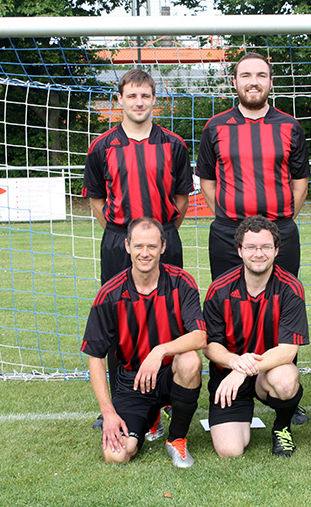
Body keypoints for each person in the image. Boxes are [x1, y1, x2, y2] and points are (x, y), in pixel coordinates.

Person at [82, 68, 194, 433]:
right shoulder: (102, 147)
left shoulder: (174, 145)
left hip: (163, 238)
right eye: (131, 96)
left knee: (170, 319)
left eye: (145, 96)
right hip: (119, 240)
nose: (139, 102)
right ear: (120, 100)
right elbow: (97, 201)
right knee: (119, 322)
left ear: (154, 100)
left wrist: (158, 239)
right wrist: (126, 238)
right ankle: (119, 401)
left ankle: (164, 403)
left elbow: (180, 200)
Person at [80, 217, 206, 467]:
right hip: (132, 383)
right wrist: (108, 413)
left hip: (170, 374)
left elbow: (200, 336)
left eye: (151, 246)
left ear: (163, 246)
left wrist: (160, 351)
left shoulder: (181, 282)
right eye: (138, 246)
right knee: (116, 455)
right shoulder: (110, 294)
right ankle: (150, 418)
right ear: (127, 246)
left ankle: (176, 440)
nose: (145, 253)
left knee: (190, 360)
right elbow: (95, 356)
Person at [196, 52, 310, 280]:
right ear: (235, 82)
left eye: (261, 75)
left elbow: (301, 185)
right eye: (246, 75)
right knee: (227, 304)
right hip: (228, 234)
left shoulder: (290, 127)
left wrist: (279, 222)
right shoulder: (215, 127)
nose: (253, 82)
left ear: (270, 82)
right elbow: (207, 182)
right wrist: (227, 216)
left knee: (281, 303)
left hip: (280, 232)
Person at [203, 216, 309, 458]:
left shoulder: (290, 288)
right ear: (239, 250)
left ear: (276, 250)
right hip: (228, 376)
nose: (258, 253)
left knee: (285, 378)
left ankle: (282, 427)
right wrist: (234, 365)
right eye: (251, 247)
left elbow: (288, 351)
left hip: (267, 372)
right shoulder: (219, 289)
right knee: (230, 451)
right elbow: (210, 345)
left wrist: (244, 370)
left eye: (265, 247)